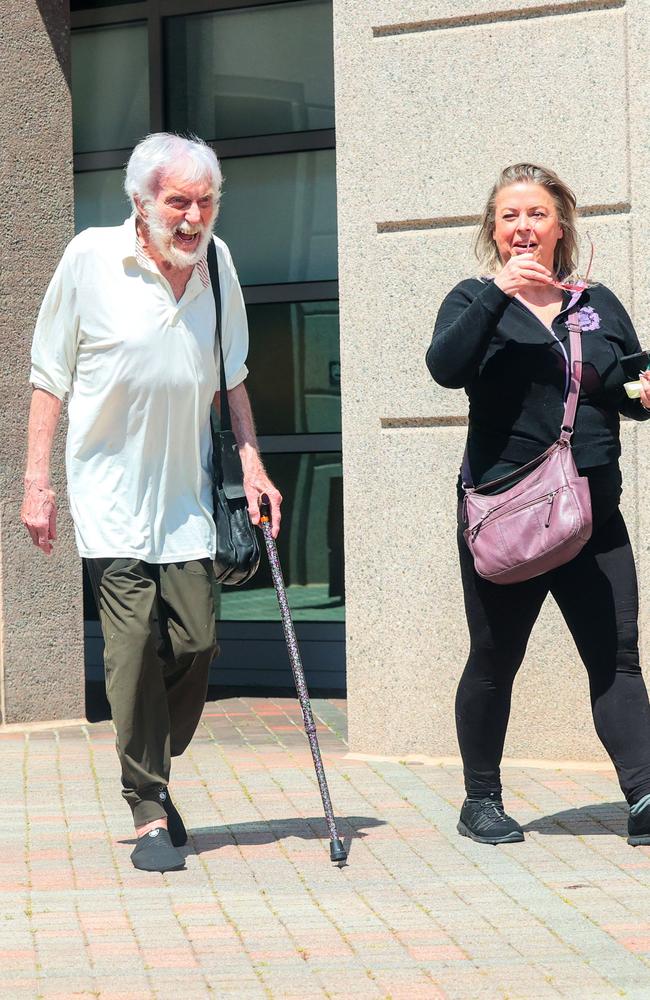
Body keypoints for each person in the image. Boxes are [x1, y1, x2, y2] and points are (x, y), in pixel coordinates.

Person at [21, 133, 282, 873]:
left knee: (196, 643)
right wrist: (37, 483)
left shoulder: (218, 266)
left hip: (185, 500)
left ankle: (151, 763)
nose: (195, 217)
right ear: (141, 202)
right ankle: (146, 805)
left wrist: (254, 466)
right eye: (180, 201)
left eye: (206, 201)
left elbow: (232, 376)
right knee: (133, 647)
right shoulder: (90, 259)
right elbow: (49, 375)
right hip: (108, 496)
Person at [426, 162, 650, 846]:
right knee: (494, 657)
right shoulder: (472, 298)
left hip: (592, 516)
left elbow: (623, 385)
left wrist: (641, 389)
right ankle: (480, 801)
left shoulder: (596, 301)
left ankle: (644, 798)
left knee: (616, 657)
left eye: (537, 214)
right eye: (509, 216)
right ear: (493, 232)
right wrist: (499, 294)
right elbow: (445, 366)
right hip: (508, 517)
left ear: (561, 227)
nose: (523, 226)